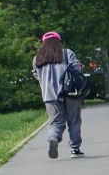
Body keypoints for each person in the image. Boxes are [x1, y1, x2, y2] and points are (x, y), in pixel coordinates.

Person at [33, 31, 84, 159]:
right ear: (59, 41)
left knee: (56, 122)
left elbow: (35, 74)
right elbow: (76, 69)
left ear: (43, 43)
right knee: (74, 121)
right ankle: (75, 149)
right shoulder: (67, 53)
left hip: (49, 96)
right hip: (70, 93)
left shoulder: (37, 58)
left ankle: (53, 138)